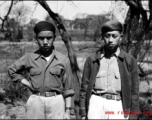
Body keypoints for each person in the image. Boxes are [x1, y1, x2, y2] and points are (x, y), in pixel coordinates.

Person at [8, 21, 74, 119]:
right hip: (36, 101)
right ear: (36, 39)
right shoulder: (29, 57)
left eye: (49, 38)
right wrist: (27, 83)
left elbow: (68, 89)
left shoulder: (63, 60)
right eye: (41, 38)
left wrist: (68, 111)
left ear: (54, 38)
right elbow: (11, 70)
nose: (45, 42)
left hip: (56, 102)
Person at [79, 20, 139, 119]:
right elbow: (84, 87)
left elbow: (134, 91)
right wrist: (83, 112)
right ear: (102, 36)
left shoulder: (129, 60)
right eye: (107, 36)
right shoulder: (92, 59)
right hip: (96, 104)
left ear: (121, 37)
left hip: (118, 105)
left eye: (114, 36)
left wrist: (133, 114)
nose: (110, 40)